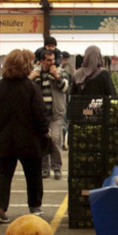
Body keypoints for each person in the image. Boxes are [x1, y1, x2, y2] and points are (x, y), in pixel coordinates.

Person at [0, 49, 49, 224]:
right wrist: (44, 131)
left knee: (3, 174)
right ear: (25, 66)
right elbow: (40, 114)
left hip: (3, 140)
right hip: (28, 141)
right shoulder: (31, 88)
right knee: (33, 174)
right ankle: (35, 208)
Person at [32, 51, 69, 180]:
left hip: (56, 113)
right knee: (42, 139)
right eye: (48, 60)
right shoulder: (37, 74)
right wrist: (32, 77)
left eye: (52, 60)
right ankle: (44, 168)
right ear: (42, 61)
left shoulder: (60, 72)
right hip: (40, 114)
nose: (51, 62)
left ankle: (57, 167)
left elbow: (65, 89)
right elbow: (30, 89)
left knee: (54, 139)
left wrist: (57, 76)